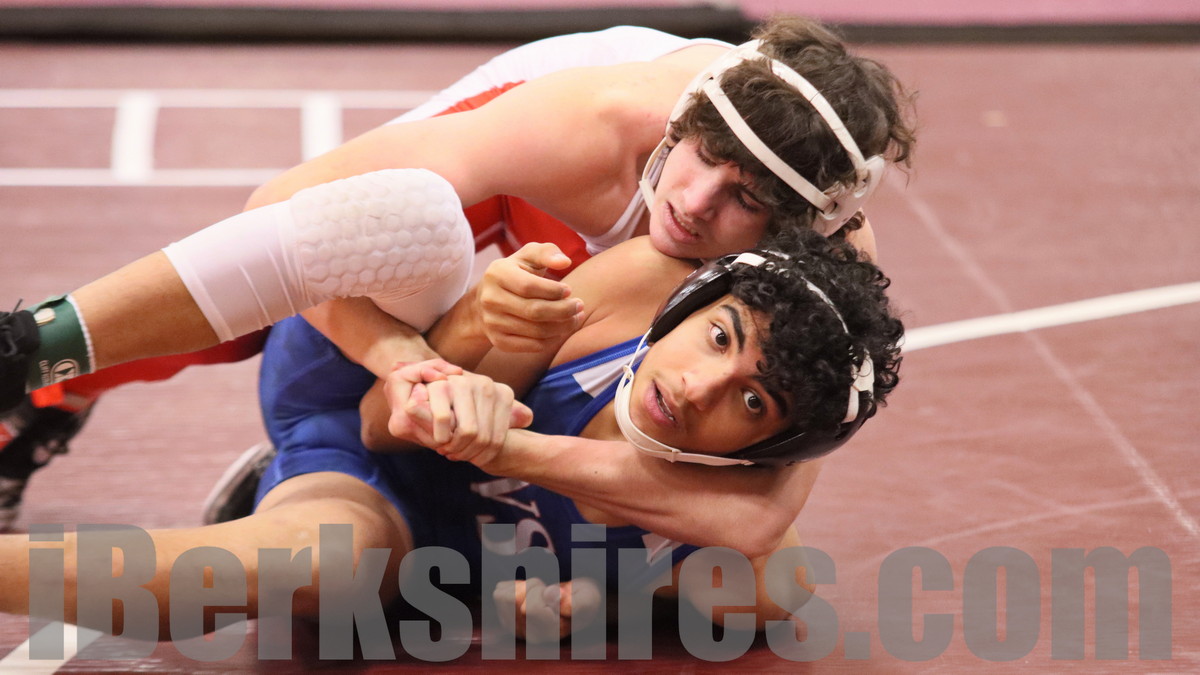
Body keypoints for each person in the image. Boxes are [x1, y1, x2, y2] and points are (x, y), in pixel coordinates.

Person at [0, 16, 915, 549]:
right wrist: (404, 365)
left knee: (702, 404)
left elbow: (757, 519)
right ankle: (36, 368)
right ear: (687, 120)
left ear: (807, 228)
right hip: (547, 180)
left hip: (615, 304)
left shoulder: (830, 274)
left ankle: (345, 474)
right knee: (352, 244)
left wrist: (498, 447)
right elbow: (276, 210)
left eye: (746, 199)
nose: (694, 202)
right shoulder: (591, 123)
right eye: (704, 156)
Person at [0, 226, 904, 645]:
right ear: (687, 306)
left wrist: (604, 603)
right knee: (312, 560)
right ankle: (49, 358)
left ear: (770, 451)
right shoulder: (621, 291)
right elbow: (375, 422)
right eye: (718, 336)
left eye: (753, 402)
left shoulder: (752, 572)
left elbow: (730, 572)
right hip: (367, 421)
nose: (699, 386)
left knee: (346, 586)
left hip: (432, 559)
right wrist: (453, 381)